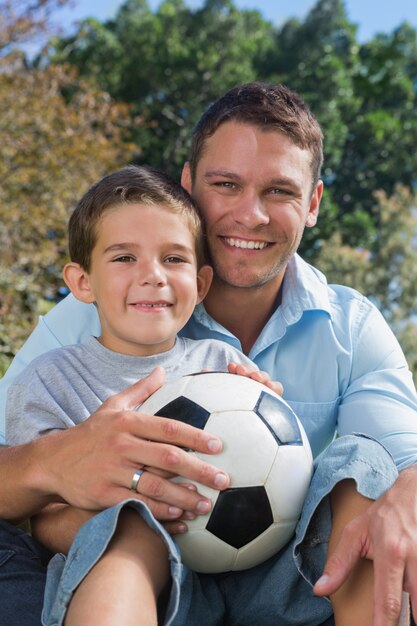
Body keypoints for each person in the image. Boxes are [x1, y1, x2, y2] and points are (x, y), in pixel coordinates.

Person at [0, 82, 416, 625]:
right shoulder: (96, 315)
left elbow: (400, 456)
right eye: (226, 184)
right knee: (123, 528)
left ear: (312, 204)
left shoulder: (349, 324)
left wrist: (406, 494)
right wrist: (62, 461)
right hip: (155, 563)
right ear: (190, 185)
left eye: (279, 192)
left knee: (365, 466)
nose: (251, 215)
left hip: (288, 572)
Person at [7, 164, 280, 625]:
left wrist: (270, 413)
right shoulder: (51, 380)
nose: (152, 275)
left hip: (249, 568)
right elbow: (44, 518)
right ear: (81, 282)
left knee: (357, 463)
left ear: (200, 285)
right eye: (123, 258)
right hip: (126, 578)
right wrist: (139, 518)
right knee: (130, 531)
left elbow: (278, 468)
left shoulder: (223, 364)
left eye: (173, 259)